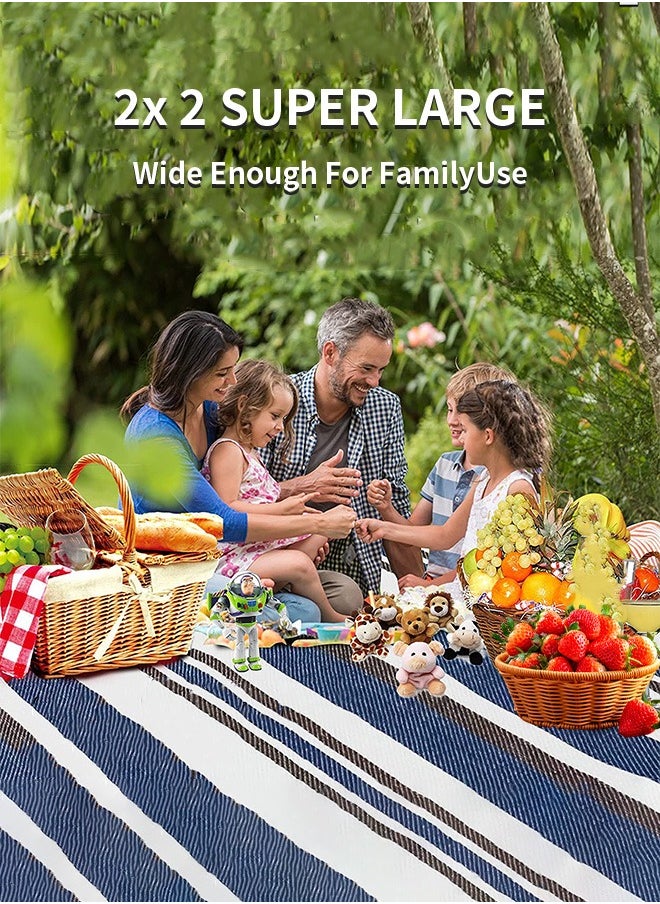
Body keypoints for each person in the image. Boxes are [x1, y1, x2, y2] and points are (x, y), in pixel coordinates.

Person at [120, 311, 357, 620]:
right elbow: (222, 521)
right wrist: (315, 524)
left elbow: (243, 486)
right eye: (223, 373)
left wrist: (300, 500)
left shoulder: (208, 413)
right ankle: (269, 594)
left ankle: (270, 588)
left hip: (226, 554)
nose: (232, 381)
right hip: (175, 567)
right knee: (303, 612)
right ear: (190, 372)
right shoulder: (155, 435)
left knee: (347, 594)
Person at [260, 297, 420, 598]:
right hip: (274, 557)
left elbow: (395, 506)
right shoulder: (275, 402)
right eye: (366, 368)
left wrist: (419, 593)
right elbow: (242, 500)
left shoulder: (385, 408)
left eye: (381, 370)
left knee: (348, 599)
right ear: (330, 352)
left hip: (351, 566)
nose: (374, 381)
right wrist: (306, 487)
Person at [356, 381, 552, 586]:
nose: (462, 439)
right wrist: (383, 528)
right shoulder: (483, 482)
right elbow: (444, 535)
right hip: (467, 592)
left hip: (491, 603)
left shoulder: (517, 488)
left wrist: (430, 586)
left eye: (465, 430)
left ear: (487, 436)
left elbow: (513, 566)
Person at [203, 359, 346, 622]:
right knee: (300, 563)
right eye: (274, 416)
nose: (280, 427)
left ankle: (273, 590)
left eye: (283, 418)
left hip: (252, 550)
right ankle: (332, 618)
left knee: (318, 534)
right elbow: (227, 508)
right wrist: (281, 509)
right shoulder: (227, 451)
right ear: (245, 407)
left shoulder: (250, 453)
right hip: (230, 558)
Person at [367, 362, 515, 591]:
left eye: (462, 415)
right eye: (449, 409)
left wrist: (431, 586)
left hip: (470, 588)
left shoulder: (496, 479)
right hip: (435, 585)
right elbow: (417, 533)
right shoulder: (445, 465)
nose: (452, 421)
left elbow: (486, 563)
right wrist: (386, 508)